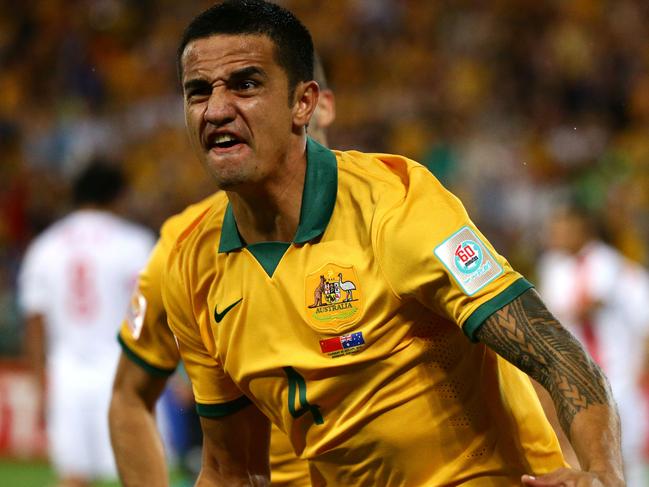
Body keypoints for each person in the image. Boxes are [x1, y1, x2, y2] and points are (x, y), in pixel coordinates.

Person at [161, 1, 625, 485]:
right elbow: (229, 469)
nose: (216, 109)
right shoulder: (193, 266)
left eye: (246, 84)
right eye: (197, 92)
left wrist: (603, 472)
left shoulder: (396, 207)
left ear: (304, 103)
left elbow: (552, 349)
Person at [109, 53, 336, 487]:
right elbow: (129, 396)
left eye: (251, 89)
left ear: (313, 104)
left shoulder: (388, 211)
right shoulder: (186, 249)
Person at [17, 161, 155, 487]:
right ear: (118, 197)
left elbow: (35, 324)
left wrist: (40, 386)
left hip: (67, 375)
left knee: (73, 477)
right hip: (123, 374)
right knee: (137, 474)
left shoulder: (46, 246)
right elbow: (151, 312)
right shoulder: (133, 242)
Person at [537, 203, 649, 487]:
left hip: (619, 376)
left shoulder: (609, 263)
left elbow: (593, 305)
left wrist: (640, 372)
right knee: (585, 456)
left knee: (626, 456)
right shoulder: (553, 268)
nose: (556, 233)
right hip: (577, 378)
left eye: (563, 226)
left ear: (582, 228)